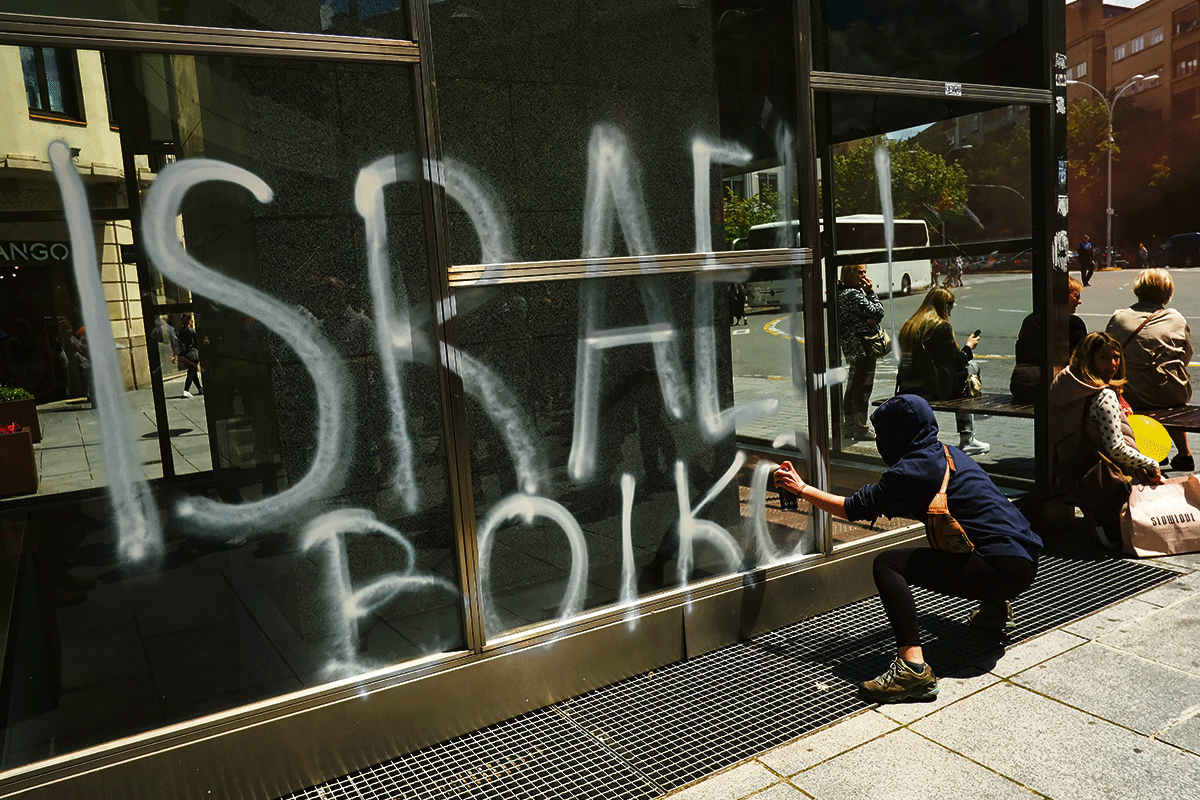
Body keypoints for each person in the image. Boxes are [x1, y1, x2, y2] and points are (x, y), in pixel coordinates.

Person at [774, 394, 1042, 703]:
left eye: (883, 435)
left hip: (999, 570)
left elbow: (852, 508)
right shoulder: (949, 454)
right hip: (1026, 559)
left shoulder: (912, 470)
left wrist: (802, 489)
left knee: (888, 564)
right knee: (964, 538)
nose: (880, 442)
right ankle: (994, 610)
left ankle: (912, 668)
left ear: (897, 435)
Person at [1050, 332, 1164, 544]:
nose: (1112, 364)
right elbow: (1115, 449)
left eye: (1116, 357)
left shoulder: (1067, 385)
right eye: (1103, 357)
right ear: (1088, 359)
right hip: (1109, 477)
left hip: (1075, 469)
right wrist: (1150, 464)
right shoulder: (1104, 395)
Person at [1105, 268, 1194, 472]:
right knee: (1168, 393)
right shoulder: (1176, 318)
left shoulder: (1119, 317)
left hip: (1133, 393)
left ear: (1139, 289)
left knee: (1132, 388)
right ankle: (1184, 453)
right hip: (1172, 394)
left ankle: (1147, 449)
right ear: (1167, 292)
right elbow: (1186, 356)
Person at [895, 286, 990, 455]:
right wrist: (968, 348)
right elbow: (953, 363)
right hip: (931, 388)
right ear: (944, 306)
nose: (951, 313)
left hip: (907, 386)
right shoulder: (940, 327)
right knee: (972, 369)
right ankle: (967, 437)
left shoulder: (911, 325)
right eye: (950, 307)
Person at [1009, 277, 1087, 403]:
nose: (1079, 301)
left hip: (1021, 386)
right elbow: (1082, 362)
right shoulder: (1073, 324)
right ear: (1062, 297)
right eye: (1076, 296)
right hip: (1054, 389)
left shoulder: (1030, 320)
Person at [837, 264, 886, 441]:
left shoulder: (841, 292)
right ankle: (861, 427)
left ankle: (849, 426)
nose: (864, 275)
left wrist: (870, 317)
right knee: (862, 389)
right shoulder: (853, 294)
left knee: (853, 387)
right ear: (850, 274)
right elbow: (879, 311)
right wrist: (871, 292)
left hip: (852, 347)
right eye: (859, 272)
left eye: (865, 271)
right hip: (863, 347)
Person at [176, 313, 203, 398]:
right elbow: (197, 341)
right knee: (191, 371)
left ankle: (199, 388)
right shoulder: (191, 331)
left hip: (185, 355)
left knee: (193, 371)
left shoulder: (179, 332)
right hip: (192, 354)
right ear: (190, 321)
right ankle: (186, 390)